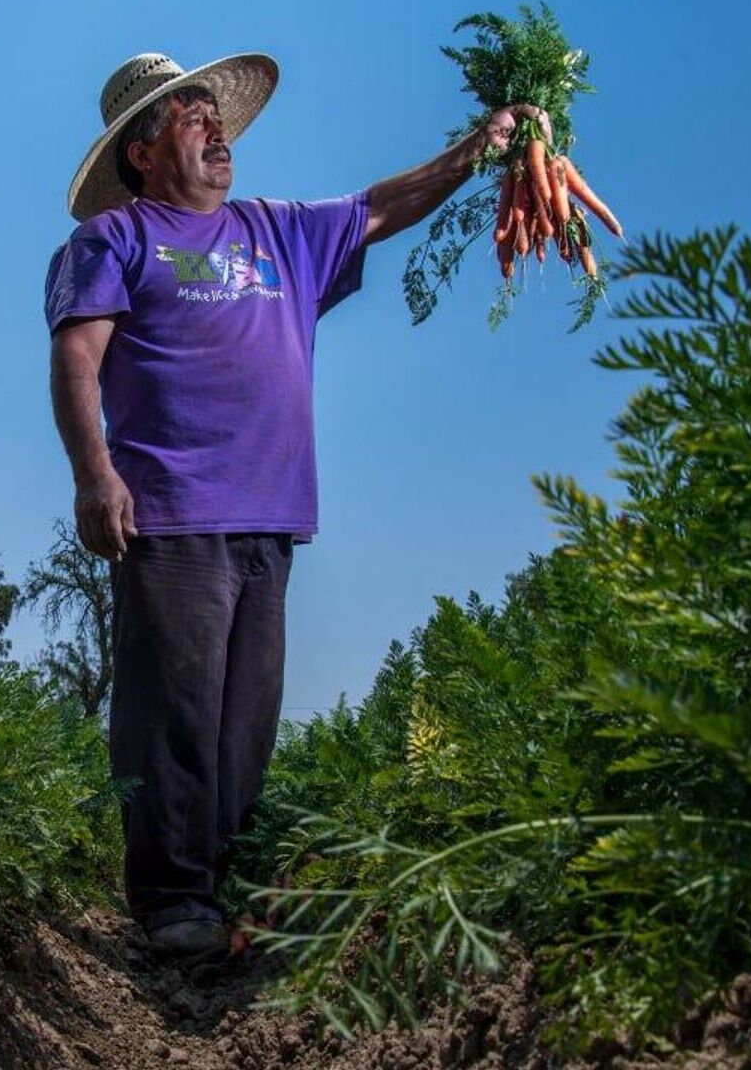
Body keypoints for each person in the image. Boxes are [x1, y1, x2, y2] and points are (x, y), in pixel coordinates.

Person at [43, 51, 548, 956]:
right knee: (174, 716)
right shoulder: (114, 241)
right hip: (172, 510)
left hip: (273, 518)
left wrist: (481, 145)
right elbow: (78, 358)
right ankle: (170, 905)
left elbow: (377, 207)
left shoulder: (276, 233)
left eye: (211, 107)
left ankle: (226, 890)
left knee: (244, 723)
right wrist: (94, 472)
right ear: (142, 154)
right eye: (188, 113)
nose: (212, 121)